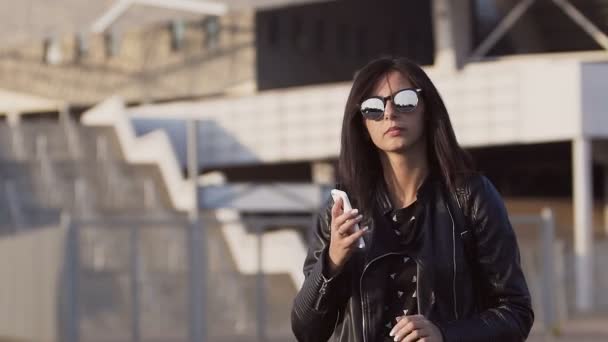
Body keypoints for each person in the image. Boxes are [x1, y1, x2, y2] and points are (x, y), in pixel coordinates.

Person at [291, 56, 534, 342]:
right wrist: (331, 262)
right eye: (373, 107)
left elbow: (515, 312)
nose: (390, 113)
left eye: (405, 100)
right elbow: (306, 331)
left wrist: (445, 335)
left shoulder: (471, 197)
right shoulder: (343, 211)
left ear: (427, 108)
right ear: (363, 125)